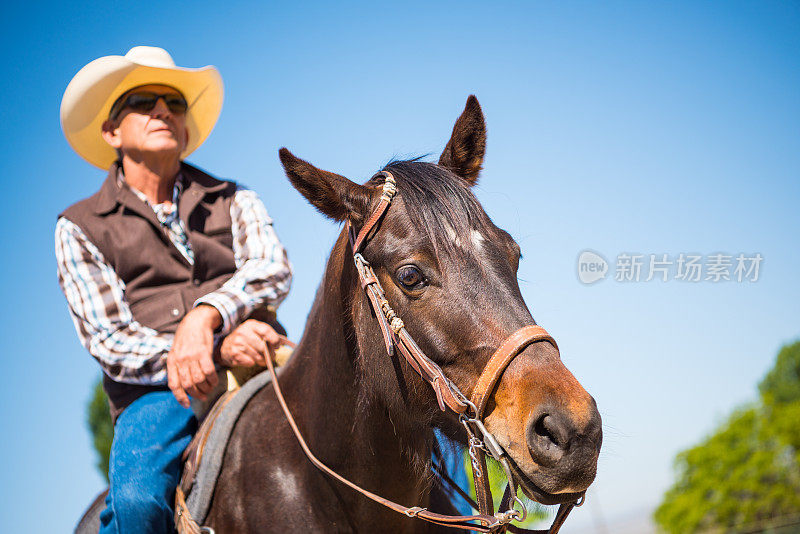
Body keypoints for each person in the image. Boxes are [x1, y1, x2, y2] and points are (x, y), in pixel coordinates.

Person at [57, 46, 292, 533]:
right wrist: (218, 346)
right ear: (111, 131)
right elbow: (109, 338)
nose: (163, 110)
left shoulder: (236, 197)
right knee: (140, 503)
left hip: (265, 355)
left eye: (174, 103)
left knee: (392, 419)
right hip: (157, 394)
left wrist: (204, 316)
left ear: (184, 128)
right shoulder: (79, 226)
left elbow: (271, 267)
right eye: (143, 101)